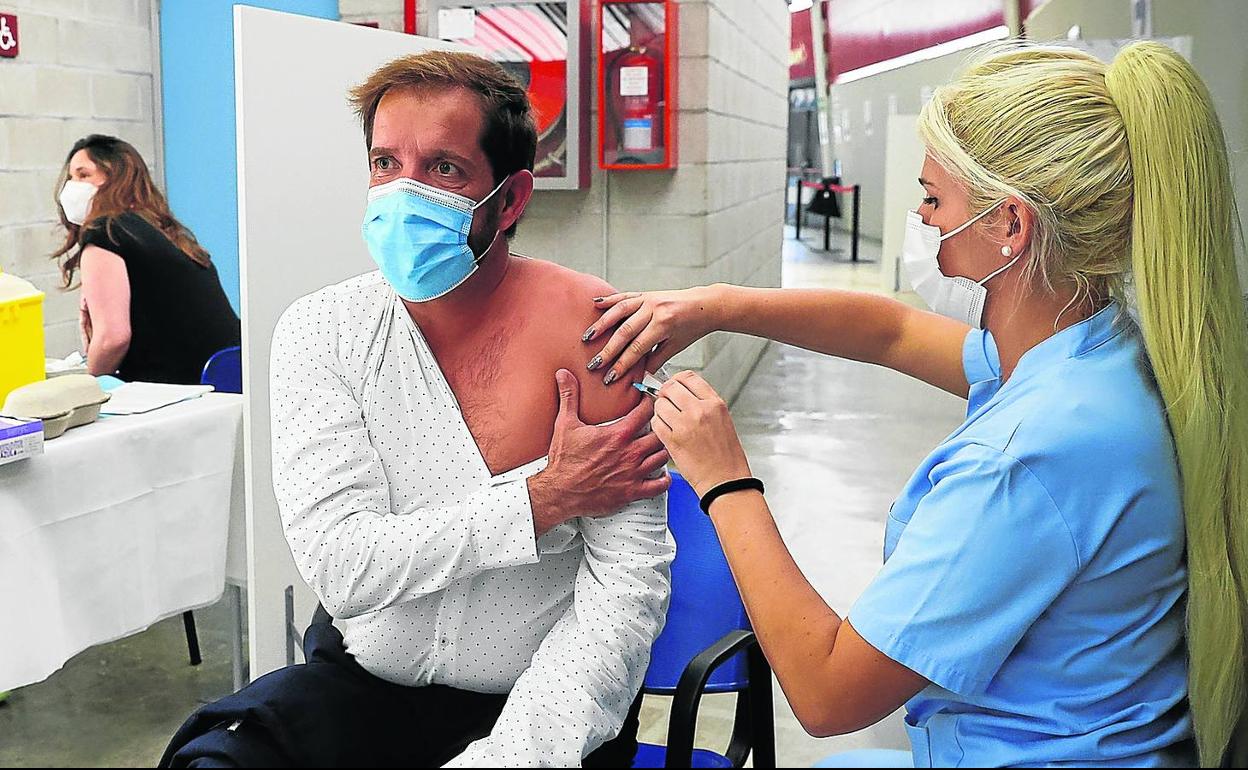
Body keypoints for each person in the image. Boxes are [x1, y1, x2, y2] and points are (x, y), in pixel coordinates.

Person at [584, 42, 1248, 767]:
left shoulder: (1029, 456)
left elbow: (829, 691)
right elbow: (892, 330)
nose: (924, 218)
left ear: (1010, 225)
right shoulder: (1088, 350)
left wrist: (724, 479)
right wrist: (714, 307)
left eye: (935, 198)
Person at [161, 52, 673, 768]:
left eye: (443, 169)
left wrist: (512, 757)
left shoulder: (597, 335)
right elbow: (344, 565)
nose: (402, 194)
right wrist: (539, 501)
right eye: (384, 162)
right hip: (361, 687)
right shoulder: (323, 332)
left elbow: (628, 586)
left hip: (540, 703)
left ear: (511, 198)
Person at [51, 135, 240, 384]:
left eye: (84, 175)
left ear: (117, 177)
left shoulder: (105, 231)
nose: (72, 187)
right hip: (229, 379)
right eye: (71, 178)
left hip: (179, 391)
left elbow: (112, 339)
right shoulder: (167, 232)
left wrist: (87, 384)